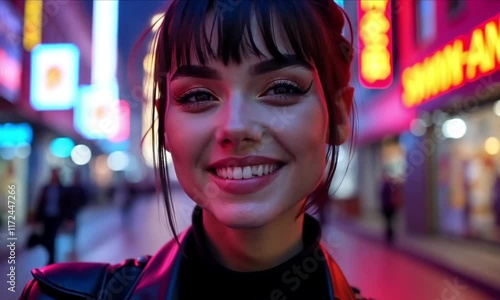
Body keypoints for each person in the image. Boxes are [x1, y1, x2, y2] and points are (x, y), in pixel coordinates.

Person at [21, 1, 365, 299]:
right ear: (163, 124)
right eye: (198, 95)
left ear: (338, 116)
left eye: (282, 88)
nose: (235, 127)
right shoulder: (57, 295)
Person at [32, 168, 69, 265]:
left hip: (57, 217)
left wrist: (68, 218)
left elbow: (66, 204)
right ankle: (51, 258)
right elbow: (40, 203)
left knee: (52, 238)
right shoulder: (46, 188)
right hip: (46, 216)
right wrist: (36, 218)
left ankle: (52, 260)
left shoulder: (62, 188)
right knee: (46, 238)